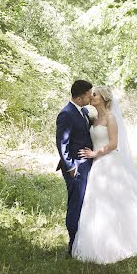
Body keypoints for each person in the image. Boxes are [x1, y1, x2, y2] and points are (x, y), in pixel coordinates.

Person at [72, 85, 137, 264]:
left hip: (109, 162)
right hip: (98, 167)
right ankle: (102, 241)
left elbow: (113, 144)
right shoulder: (93, 118)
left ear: (103, 99)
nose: (91, 97)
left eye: (95, 95)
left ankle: (131, 239)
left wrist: (94, 154)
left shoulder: (111, 119)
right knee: (99, 202)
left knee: (120, 200)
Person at [56, 79, 93, 255]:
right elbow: (62, 142)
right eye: (88, 95)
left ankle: (83, 242)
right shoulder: (66, 114)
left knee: (85, 203)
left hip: (87, 164)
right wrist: (70, 166)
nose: (91, 97)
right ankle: (73, 246)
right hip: (75, 168)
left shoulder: (83, 111)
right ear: (79, 97)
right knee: (75, 204)